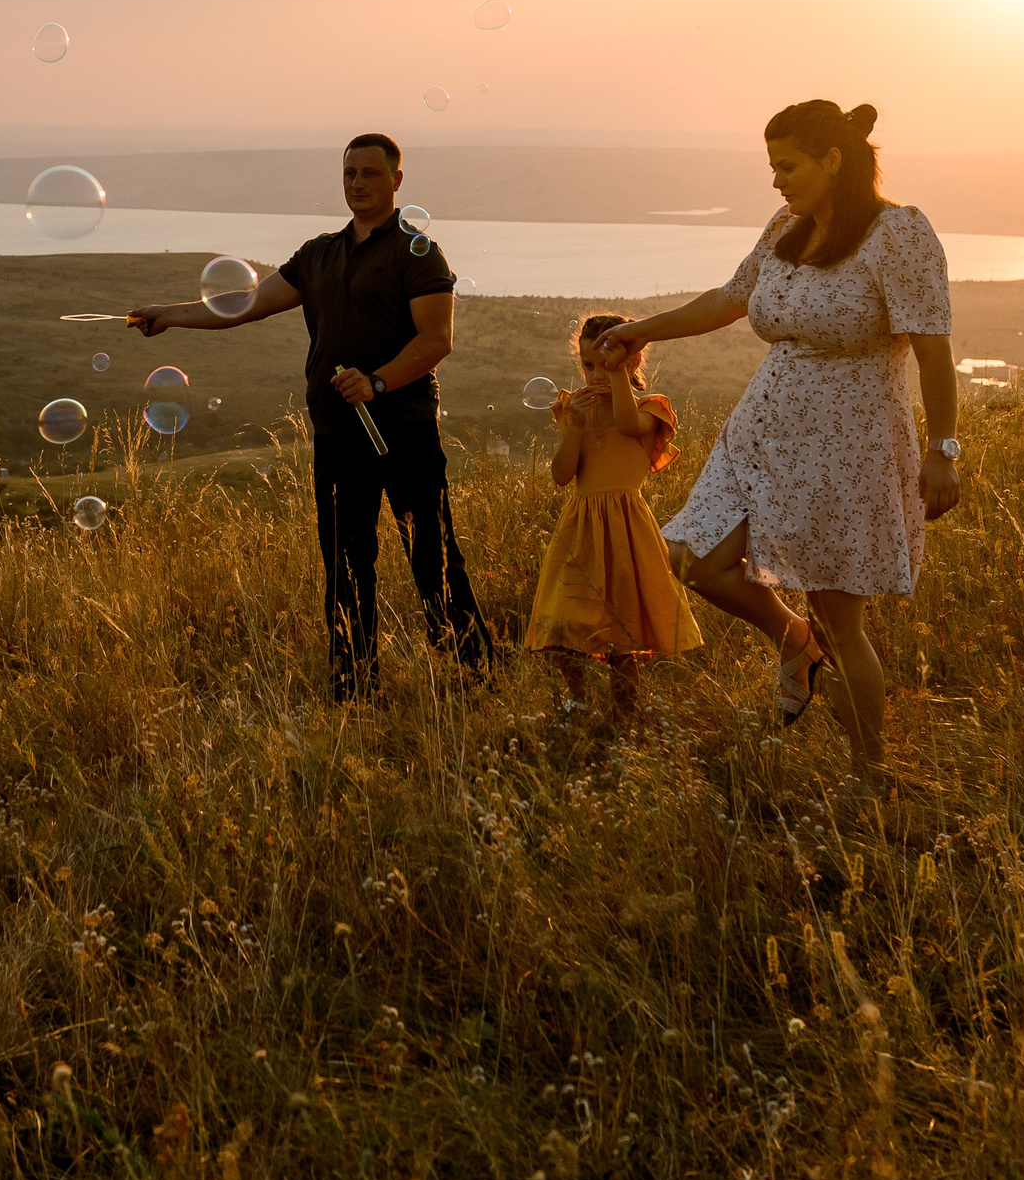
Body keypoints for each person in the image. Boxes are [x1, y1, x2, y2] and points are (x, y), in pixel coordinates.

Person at [597, 101, 959, 783]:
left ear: (832, 160)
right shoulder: (787, 228)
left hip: (846, 445)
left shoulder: (897, 234)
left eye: (786, 166)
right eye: (772, 167)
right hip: (761, 431)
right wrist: (641, 329)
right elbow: (726, 299)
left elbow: (935, 354)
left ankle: (868, 772)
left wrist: (944, 450)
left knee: (840, 621)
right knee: (694, 557)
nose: (775, 182)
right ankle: (793, 641)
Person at [131, 132, 489, 695]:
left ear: (397, 180)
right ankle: (353, 693)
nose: (357, 183)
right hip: (337, 435)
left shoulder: (416, 252)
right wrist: (170, 315)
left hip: (405, 430)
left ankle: (475, 681)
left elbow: (436, 340)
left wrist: (376, 382)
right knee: (346, 568)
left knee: (433, 560)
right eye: (349, 173)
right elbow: (244, 304)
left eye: (370, 174)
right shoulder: (318, 253)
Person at [524, 312, 703, 723]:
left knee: (623, 632)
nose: (595, 374)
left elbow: (626, 424)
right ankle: (578, 702)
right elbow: (561, 476)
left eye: (605, 364)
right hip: (580, 528)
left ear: (631, 363)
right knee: (564, 622)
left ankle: (624, 716)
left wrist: (617, 373)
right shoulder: (574, 411)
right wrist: (575, 428)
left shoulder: (650, 410)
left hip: (625, 530)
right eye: (588, 365)